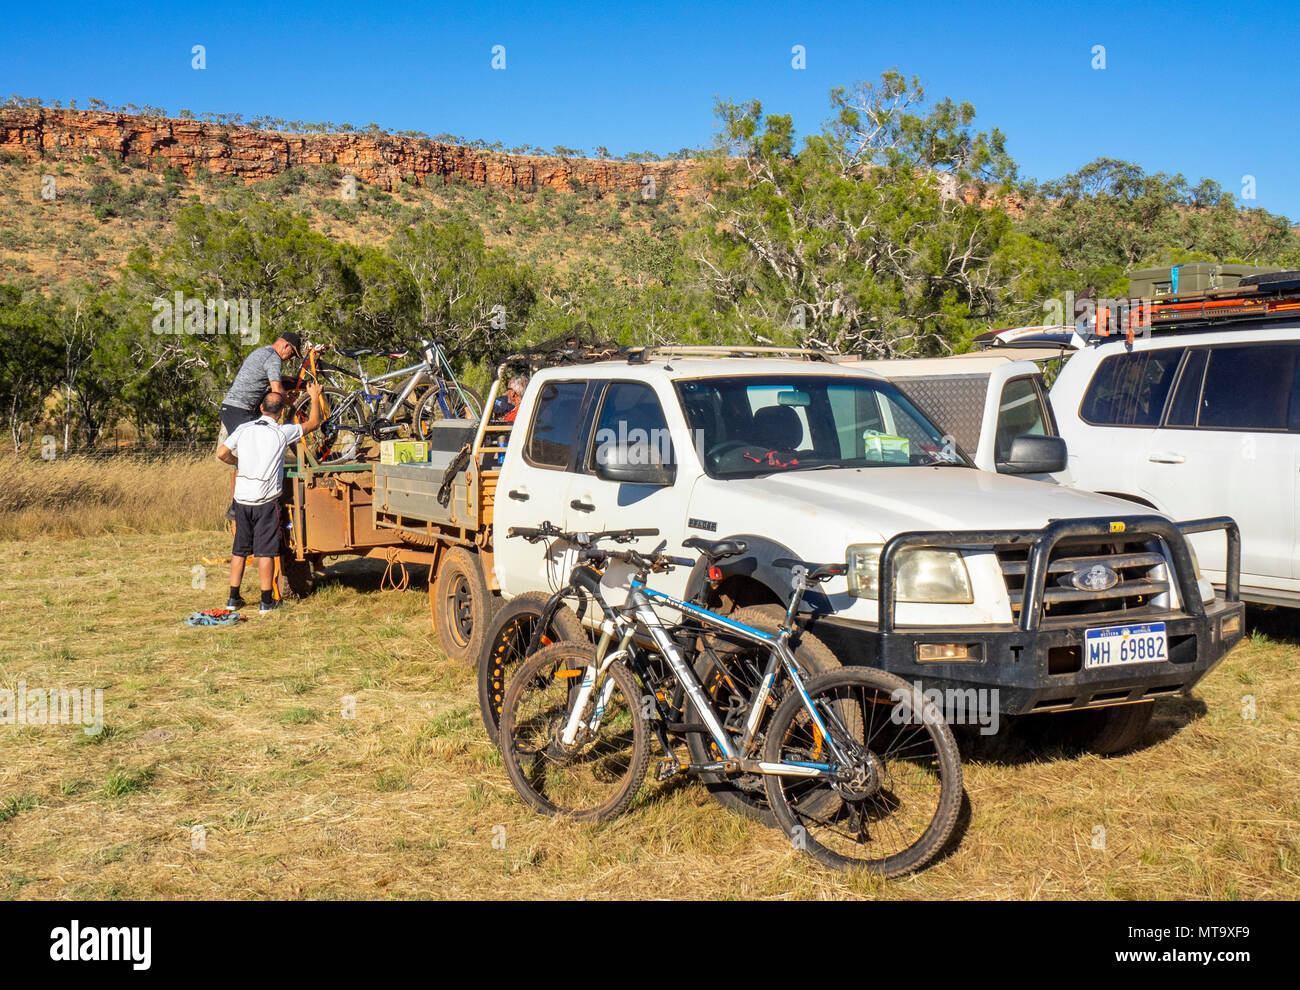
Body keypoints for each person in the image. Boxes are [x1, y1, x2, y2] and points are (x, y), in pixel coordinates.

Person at [216, 383, 323, 614]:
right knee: (266, 551)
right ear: (281, 412)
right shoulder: (282, 432)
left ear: (261, 408)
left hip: (242, 499)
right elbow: (314, 423)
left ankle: (233, 599)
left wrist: (238, 463)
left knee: (239, 551)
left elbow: (221, 453)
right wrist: (314, 396)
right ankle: (266, 601)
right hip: (266, 501)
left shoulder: (244, 428)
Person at [219, 333, 303, 438]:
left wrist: (281, 377)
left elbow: (258, 374)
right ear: (286, 345)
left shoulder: (262, 351)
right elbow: (277, 391)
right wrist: (292, 403)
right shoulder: (273, 358)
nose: (290, 358)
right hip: (238, 409)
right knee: (252, 448)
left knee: (254, 447)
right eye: (292, 353)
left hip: (234, 408)